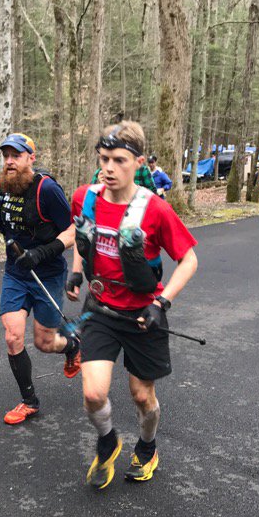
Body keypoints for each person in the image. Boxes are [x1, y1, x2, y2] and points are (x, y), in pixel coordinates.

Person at [67, 121, 198, 490]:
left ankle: (148, 446)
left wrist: (162, 303)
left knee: (142, 396)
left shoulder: (155, 209)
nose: (109, 168)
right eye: (104, 158)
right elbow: (82, 236)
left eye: (119, 160)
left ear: (138, 162)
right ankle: (108, 440)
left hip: (143, 316)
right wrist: (76, 272)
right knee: (93, 394)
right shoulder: (84, 197)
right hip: (101, 311)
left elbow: (188, 260)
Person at [0, 133, 78, 425]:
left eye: (16, 155)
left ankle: (73, 347)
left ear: (30, 158)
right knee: (13, 335)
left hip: (47, 273)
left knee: (44, 342)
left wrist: (40, 254)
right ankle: (29, 401)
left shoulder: (47, 190)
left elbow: (72, 232)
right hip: (16, 272)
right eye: (6, 155)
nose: (10, 161)